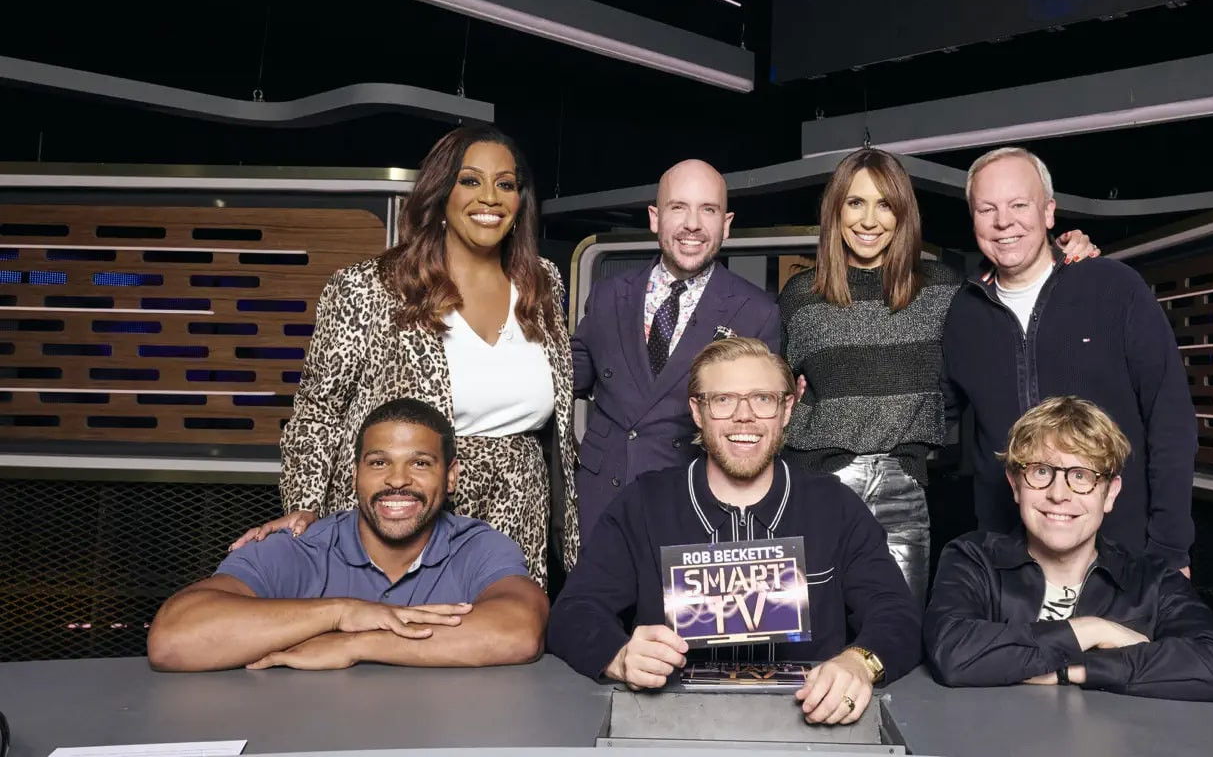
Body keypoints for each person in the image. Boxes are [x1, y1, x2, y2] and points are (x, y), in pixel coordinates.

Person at [231, 124, 579, 586]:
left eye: (506, 184)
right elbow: (319, 408)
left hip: (516, 512)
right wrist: (305, 505)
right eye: (470, 180)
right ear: (441, 193)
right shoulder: (369, 286)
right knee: (388, 624)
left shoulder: (543, 281)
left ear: (521, 202)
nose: (490, 197)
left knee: (496, 629)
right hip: (400, 507)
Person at [548, 338, 921, 725]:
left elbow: (897, 614)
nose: (745, 416)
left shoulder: (834, 506)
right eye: (723, 400)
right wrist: (619, 654)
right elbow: (574, 612)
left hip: (809, 725)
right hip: (671, 723)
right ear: (698, 411)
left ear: (786, 409)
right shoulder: (644, 504)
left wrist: (860, 663)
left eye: (763, 399)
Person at [779, 148, 1097, 601]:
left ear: (902, 214)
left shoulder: (942, 288)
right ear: (835, 210)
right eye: (855, 203)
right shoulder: (800, 295)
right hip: (816, 485)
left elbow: (1010, 287)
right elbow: (771, 392)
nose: (868, 220)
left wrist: (1066, 251)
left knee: (898, 626)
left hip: (902, 487)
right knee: (812, 625)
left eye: (884, 204)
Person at [149, 398, 548, 672]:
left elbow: (520, 632)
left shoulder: (477, 545)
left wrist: (357, 643)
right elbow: (173, 639)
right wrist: (341, 613)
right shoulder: (301, 547)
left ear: (451, 477)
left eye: (420, 463)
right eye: (379, 463)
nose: (397, 480)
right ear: (355, 474)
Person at [942, 147, 1196, 575]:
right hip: (1010, 561)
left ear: (1048, 212)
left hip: (1123, 554)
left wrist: (1170, 550)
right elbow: (936, 413)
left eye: (1019, 205)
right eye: (987, 209)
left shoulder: (1114, 287)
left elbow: (1170, 419)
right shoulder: (963, 313)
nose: (1004, 221)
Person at [924, 397, 1213, 701]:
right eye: (1041, 471)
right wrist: (1092, 630)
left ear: (1110, 494)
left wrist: (1076, 671)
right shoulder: (974, 559)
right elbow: (952, 652)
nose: (1058, 494)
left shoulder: (1152, 579)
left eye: (1081, 475)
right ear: (1015, 485)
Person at [571, 159, 782, 538]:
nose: (693, 224)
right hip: (603, 498)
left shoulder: (756, 312)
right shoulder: (608, 295)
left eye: (708, 210)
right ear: (655, 218)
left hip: (696, 505)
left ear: (726, 224)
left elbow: (759, 425)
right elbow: (566, 378)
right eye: (678, 207)